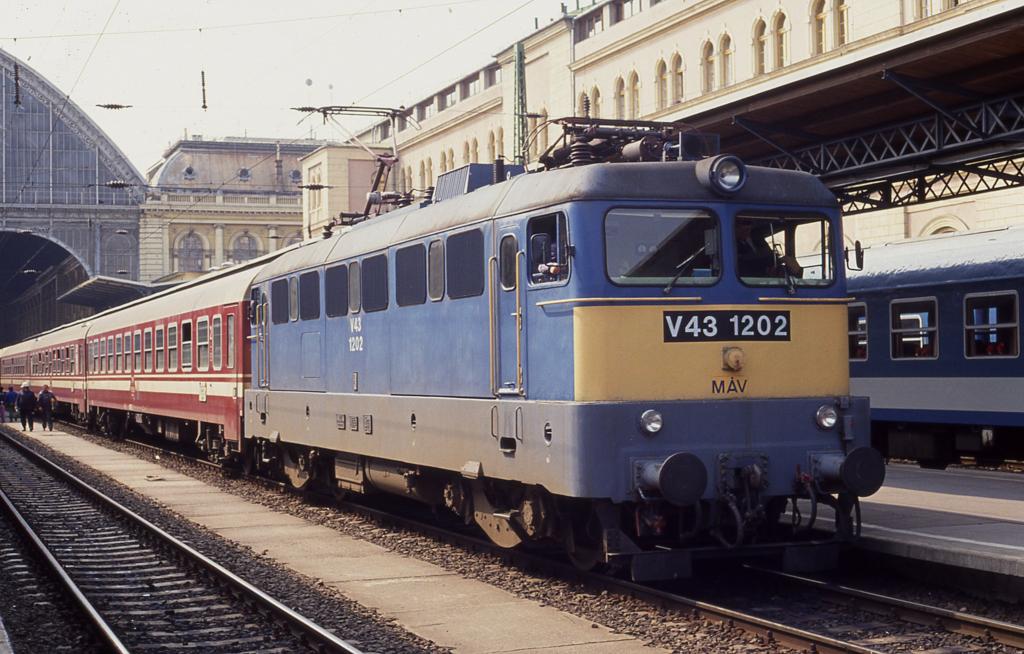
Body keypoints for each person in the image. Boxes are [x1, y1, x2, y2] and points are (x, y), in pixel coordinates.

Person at [735, 219, 803, 278]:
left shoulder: (756, 236)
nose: (746, 230)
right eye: (743, 228)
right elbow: (744, 261)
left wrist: (782, 260)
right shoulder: (732, 243)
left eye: (748, 227)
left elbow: (768, 254)